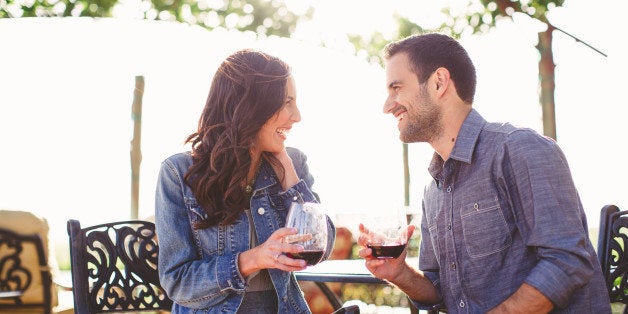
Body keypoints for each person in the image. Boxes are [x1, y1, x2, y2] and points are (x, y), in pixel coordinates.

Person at [358, 33, 610, 313]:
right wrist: (399, 273)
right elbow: (440, 291)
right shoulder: (434, 190)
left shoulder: (519, 150)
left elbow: (567, 262)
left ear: (439, 82)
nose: (387, 105)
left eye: (396, 88)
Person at [155, 49, 335, 314]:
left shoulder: (292, 162)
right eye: (287, 101)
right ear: (251, 105)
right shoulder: (178, 173)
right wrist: (253, 259)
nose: (297, 116)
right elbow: (178, 282)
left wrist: (287, 171)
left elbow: (323, 245)